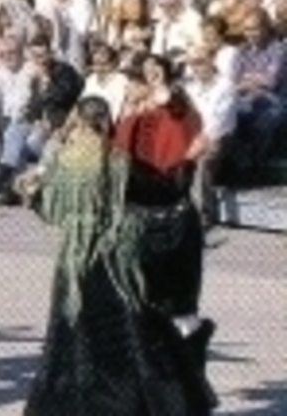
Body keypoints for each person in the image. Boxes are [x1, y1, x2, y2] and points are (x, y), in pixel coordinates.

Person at [25, 96, 218, 415]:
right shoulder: (116, 160)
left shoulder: (63, 161)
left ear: (77, 120)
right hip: (114, 263)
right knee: (126, 339)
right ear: (105, 122)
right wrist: (186, 162)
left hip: (73, 265)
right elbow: (157, 192)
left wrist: (29, 192)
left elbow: (49, 209)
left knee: (72, 339)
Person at [111, 57, 218, 406]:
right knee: (142, 311)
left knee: (180, 309)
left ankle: (189, 390)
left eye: (135, 80)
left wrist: (162, 90)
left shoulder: (173, 110)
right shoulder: (129, 118)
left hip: (172, 221)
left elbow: (179, 112)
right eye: (130, 80)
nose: (128, 87)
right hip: (139, 222)